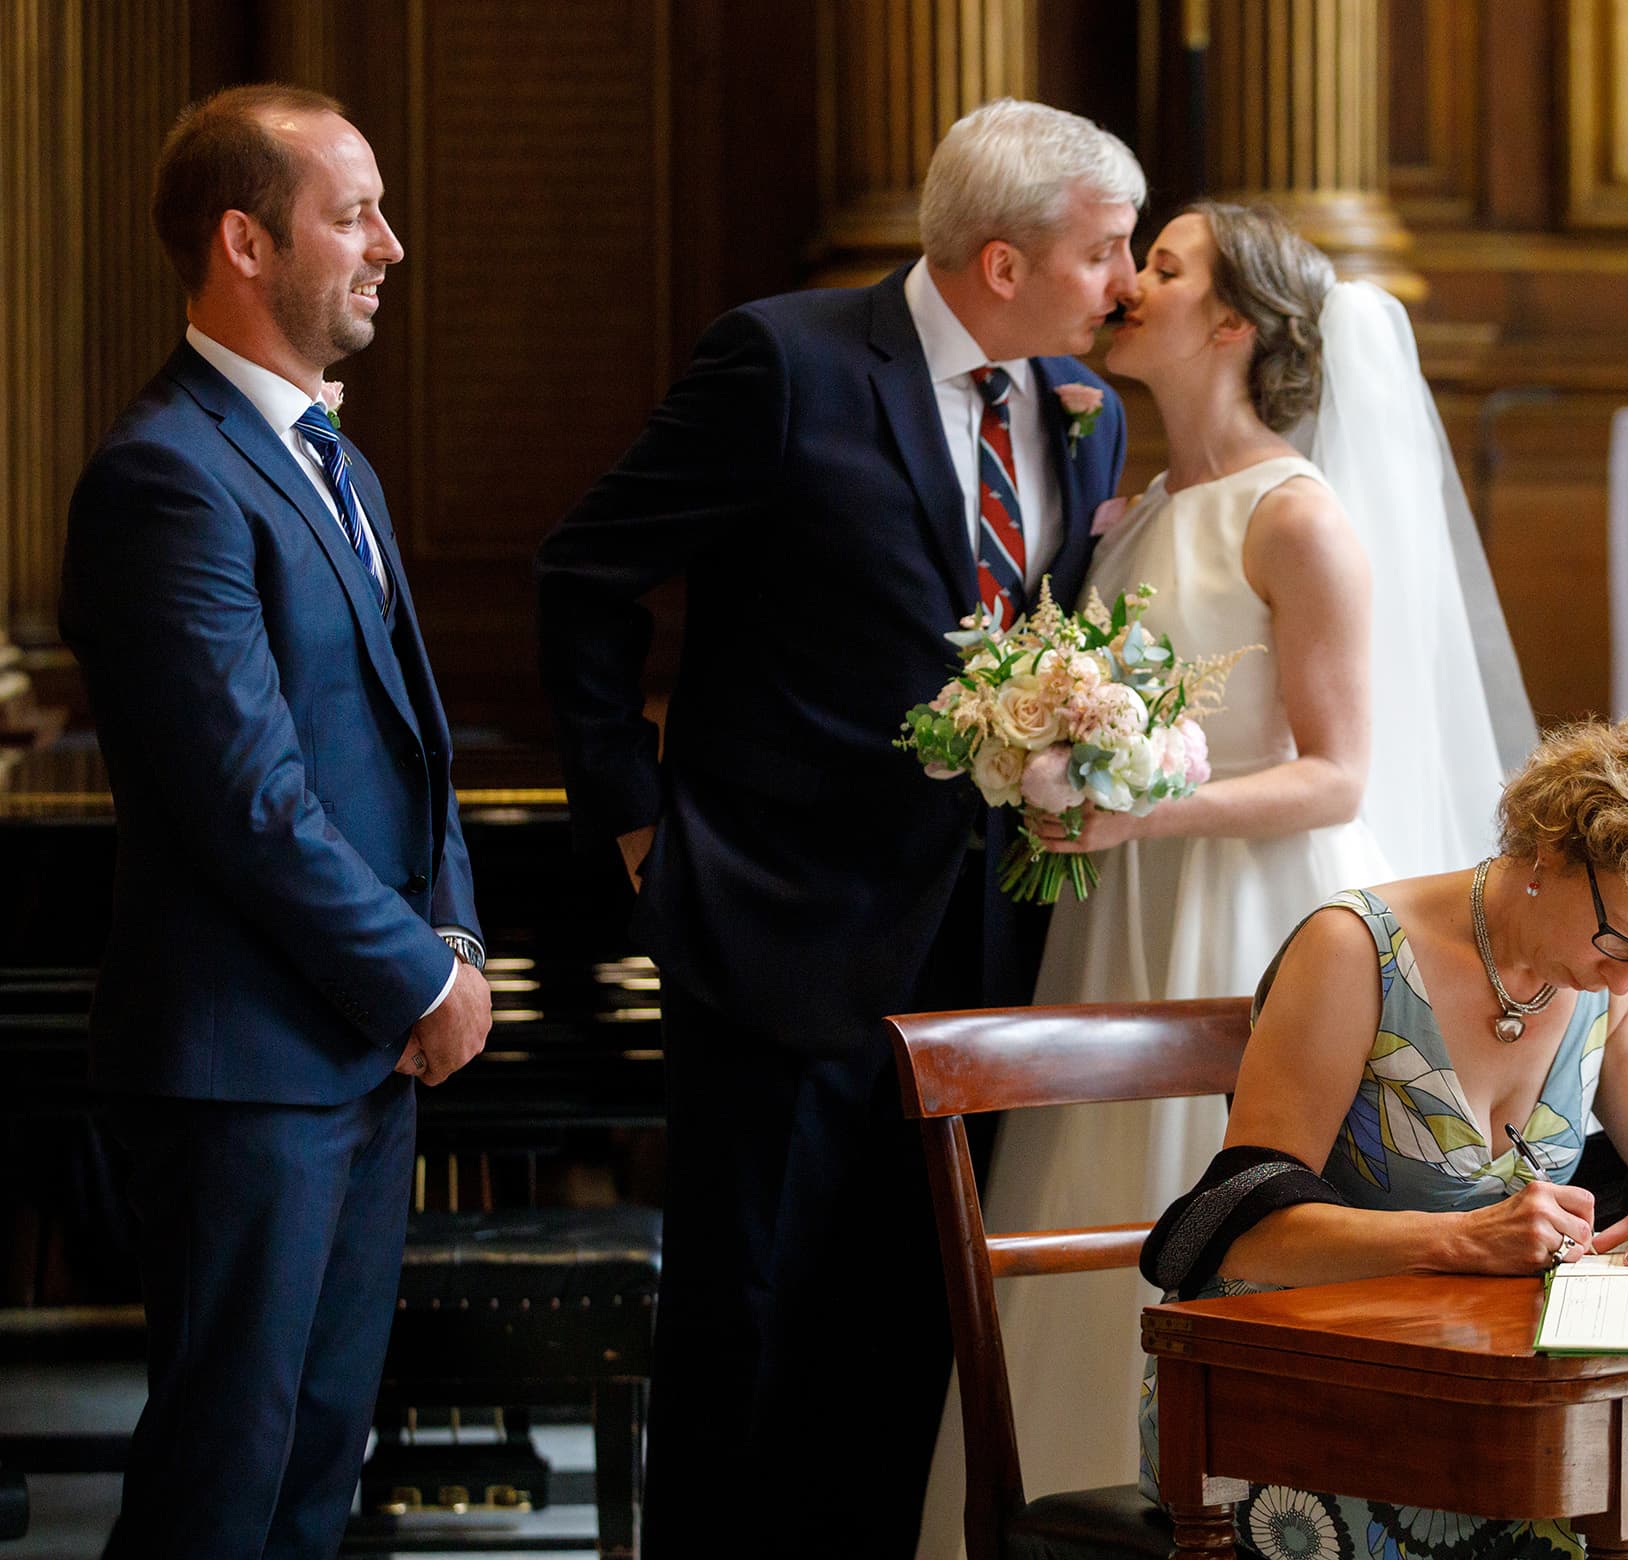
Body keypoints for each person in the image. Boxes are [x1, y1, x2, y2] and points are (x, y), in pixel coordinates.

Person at [534, 98, 1141, 1557]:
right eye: (1104, 252)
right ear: (1001, 263)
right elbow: (584, 576)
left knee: (914, 1317)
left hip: (991, 934)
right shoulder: (787, 364)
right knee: (750, 1316)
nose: (1123, 284)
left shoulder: (1086, 407)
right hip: (773, 923)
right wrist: (637, 825)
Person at [915, 202, 1538, 1553]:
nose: (1134, 281)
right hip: (1129, 911)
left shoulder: (1295, 517)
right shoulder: (1134, 509)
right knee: (1093, 1194)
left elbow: (1338, 776)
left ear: (1238, 324)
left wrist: (1145, 810)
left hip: (1261, 920)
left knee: (1220, 1191)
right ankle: (1090, 1494)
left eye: (1171, 265)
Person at [59, 84, 491, 1559]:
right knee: (221, 1483)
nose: (392, 242)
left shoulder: (335, 461)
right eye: (353, 212)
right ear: (246, 241)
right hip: (242, 1071)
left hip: (349, 1060)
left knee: (316, 1467)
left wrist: (451, 935)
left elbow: (409, 752)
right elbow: (248, 798)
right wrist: (422, 980)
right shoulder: (165, 476)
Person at [1137, 715, 1628, 1559]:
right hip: (1284, 1401)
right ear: (1548, 856)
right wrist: (1463, 1239)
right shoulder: (1353, 950)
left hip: (1491, 1395)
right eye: (1622, 942)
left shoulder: (1612, 976)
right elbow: (1241, 1229)